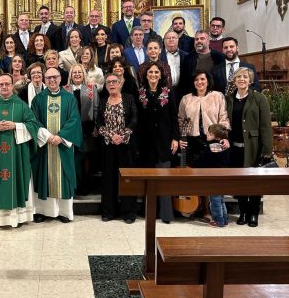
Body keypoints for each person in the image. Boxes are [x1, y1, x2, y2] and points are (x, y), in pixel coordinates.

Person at [0, 73, 41, 228]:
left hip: (17, 154)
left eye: (7, 84)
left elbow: (33, 125)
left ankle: (16, 218)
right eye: (1, 84)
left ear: (12, 85)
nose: (4, 87)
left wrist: (16, 126)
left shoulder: (22, 105)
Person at [31, 67, 83, 223]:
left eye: (55, 77)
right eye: (48, 78)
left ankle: (64, 212)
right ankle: (41, 211)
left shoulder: (69, 98)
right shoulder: (38, 99)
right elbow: (33, 121)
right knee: (43, 176)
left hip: (62, 146)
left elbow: (74, 121)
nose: (52, 80)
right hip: (44, 146)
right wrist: (47, 136)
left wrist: (61, 137)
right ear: (44, 80)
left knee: (63, 177)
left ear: (61, 78)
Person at [226, 67, 273, 227]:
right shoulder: (229, 99)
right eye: (239, 77)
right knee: (238, 183)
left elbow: (266, 126)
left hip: (253, 147)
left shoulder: (259, 99)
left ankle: (253, 214)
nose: (242, 79)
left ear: (250, 80)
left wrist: (267, 150)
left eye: (245, 77)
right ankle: (243, 212)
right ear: (234, 80)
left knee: (254, 182)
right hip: (234, 148)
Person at [137, 61, 179, 223]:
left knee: (164, 179)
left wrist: (176, 138)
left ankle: (166, 215)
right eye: (150, 73)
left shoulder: (169, 92)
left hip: (164, 142)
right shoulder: (140, 92)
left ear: (161, 75)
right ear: (145, 75)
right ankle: (150, 213)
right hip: (146, 143)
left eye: (156, 72)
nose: (153, 75)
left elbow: (175, 117)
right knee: (149, 180)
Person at [96, 73, 138, 223]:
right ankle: (108, 212)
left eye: (115, 81)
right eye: (109, 82)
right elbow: (99, 124)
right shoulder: (102, 101)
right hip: (108, 146)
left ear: (120, 83)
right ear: (106, 86)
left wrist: (122, 135)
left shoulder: (129, 98)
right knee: (109, 179)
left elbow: (134, 119)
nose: (112, 84)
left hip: (126, 146)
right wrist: (111, 136)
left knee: (127, 179)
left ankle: (128, 213)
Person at [178, 71, 230, 166]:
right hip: (193, 142)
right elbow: (180, 120)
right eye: (196, 80)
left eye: (202, 79)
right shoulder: (186, 99)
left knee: (214, 172)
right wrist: (180, 138)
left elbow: (223, 117)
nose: (199, 82)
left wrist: (224, 137)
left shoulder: (218, 96)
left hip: (214, 140)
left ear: (208, 81)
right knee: (194, 173)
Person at [65, 64, 99, 195]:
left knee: (86, 158)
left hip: (87, 127)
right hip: (71, 128)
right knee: (74, 158)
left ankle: (85, 185)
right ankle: (74, 185)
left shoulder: (91, 88)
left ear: (83, 74)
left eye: (80, 72)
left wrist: (96, 127)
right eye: (74, 73)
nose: (77, 74)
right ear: (71, 75)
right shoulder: (65, 89)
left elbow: (95, 108)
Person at [192, 124, 231, 227]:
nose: (207, 134)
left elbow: (202, 161)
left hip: (214, 178)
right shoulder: (224, 146)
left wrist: (192, 166)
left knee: (215, 200)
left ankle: (218, 221)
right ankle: (224, 219)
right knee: (221, 199)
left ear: (217, 137)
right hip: (223, 177)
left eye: (210, 133)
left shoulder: (212, 146)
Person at [181, 30, 225, 96]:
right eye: (196, 39)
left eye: (202, 38)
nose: (199, 41)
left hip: (215, 94)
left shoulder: (219, 57)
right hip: (194, 95)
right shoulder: (188, 58)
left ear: (208, 42)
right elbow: (184, 80)